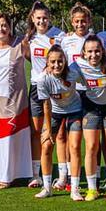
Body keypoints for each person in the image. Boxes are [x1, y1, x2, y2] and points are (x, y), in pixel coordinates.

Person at [73, 35, 106, 202]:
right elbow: (62, 73)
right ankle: (92, 188)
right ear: (84, 53)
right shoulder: (78, 65)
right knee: (91, 147)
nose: (94, 55)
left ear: (103, 51)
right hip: (91, 106)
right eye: (90, 52)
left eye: (97, 51)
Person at [0, 13, 31, 189]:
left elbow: (35, 60)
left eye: (4, 25)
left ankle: (15, 175)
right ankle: (1, 173)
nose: (1, 29)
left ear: (9, 27)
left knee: (15, 136)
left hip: (16, 99)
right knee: (0, 139)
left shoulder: (20, 44)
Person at [33, 45, 83, 200]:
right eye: (53, 62)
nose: (56, 65)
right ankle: (47, 187)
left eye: (60, 61)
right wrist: (48, 129)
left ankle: (74, 188)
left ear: (65, 61)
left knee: (74, 147)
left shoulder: (73, 72)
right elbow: (46, 105)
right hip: (54, 112)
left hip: (75, 110)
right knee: (47, 145)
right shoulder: (42, 79)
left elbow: (89, 77)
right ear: (47, 62)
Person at [25, 2, 64, 190]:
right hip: (35, 88)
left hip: (57, 88)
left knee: (59, 132)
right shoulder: (29, 38)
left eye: (45, 17)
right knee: (36, 130)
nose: (42, 21)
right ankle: (36, 174)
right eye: (38, 18)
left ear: (50, 18)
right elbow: (27, 57)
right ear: (33, 18)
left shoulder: (59, 36)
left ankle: (63, 176)